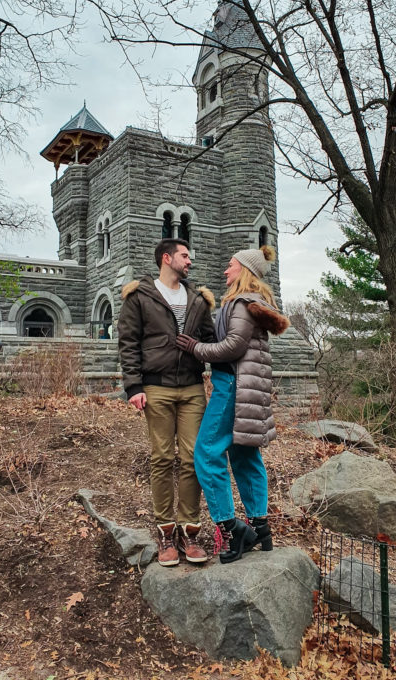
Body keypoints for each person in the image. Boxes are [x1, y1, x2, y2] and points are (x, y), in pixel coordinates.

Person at [176, 244, 289, 564]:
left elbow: (233, 347)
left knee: (206, 453)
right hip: (251, 387)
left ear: (244, 271)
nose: (225, 271)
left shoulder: (240, 302)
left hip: (233, 386)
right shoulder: (254, 302)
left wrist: (195, 348)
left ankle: (230, 528)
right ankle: (259, 527)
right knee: (244, 455)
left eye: (230, 265)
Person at [117, 238, 215, 566]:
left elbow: (212, 341)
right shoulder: (139, 297)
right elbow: (128, 343)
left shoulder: (199, 300)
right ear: (166, 257)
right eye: (185, 255)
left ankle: (189, 531)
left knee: (191, 459)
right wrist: (133, 387)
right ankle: (165, 531)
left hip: (191, 389)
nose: (190, 261)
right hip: (155, 388)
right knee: (161, 458)